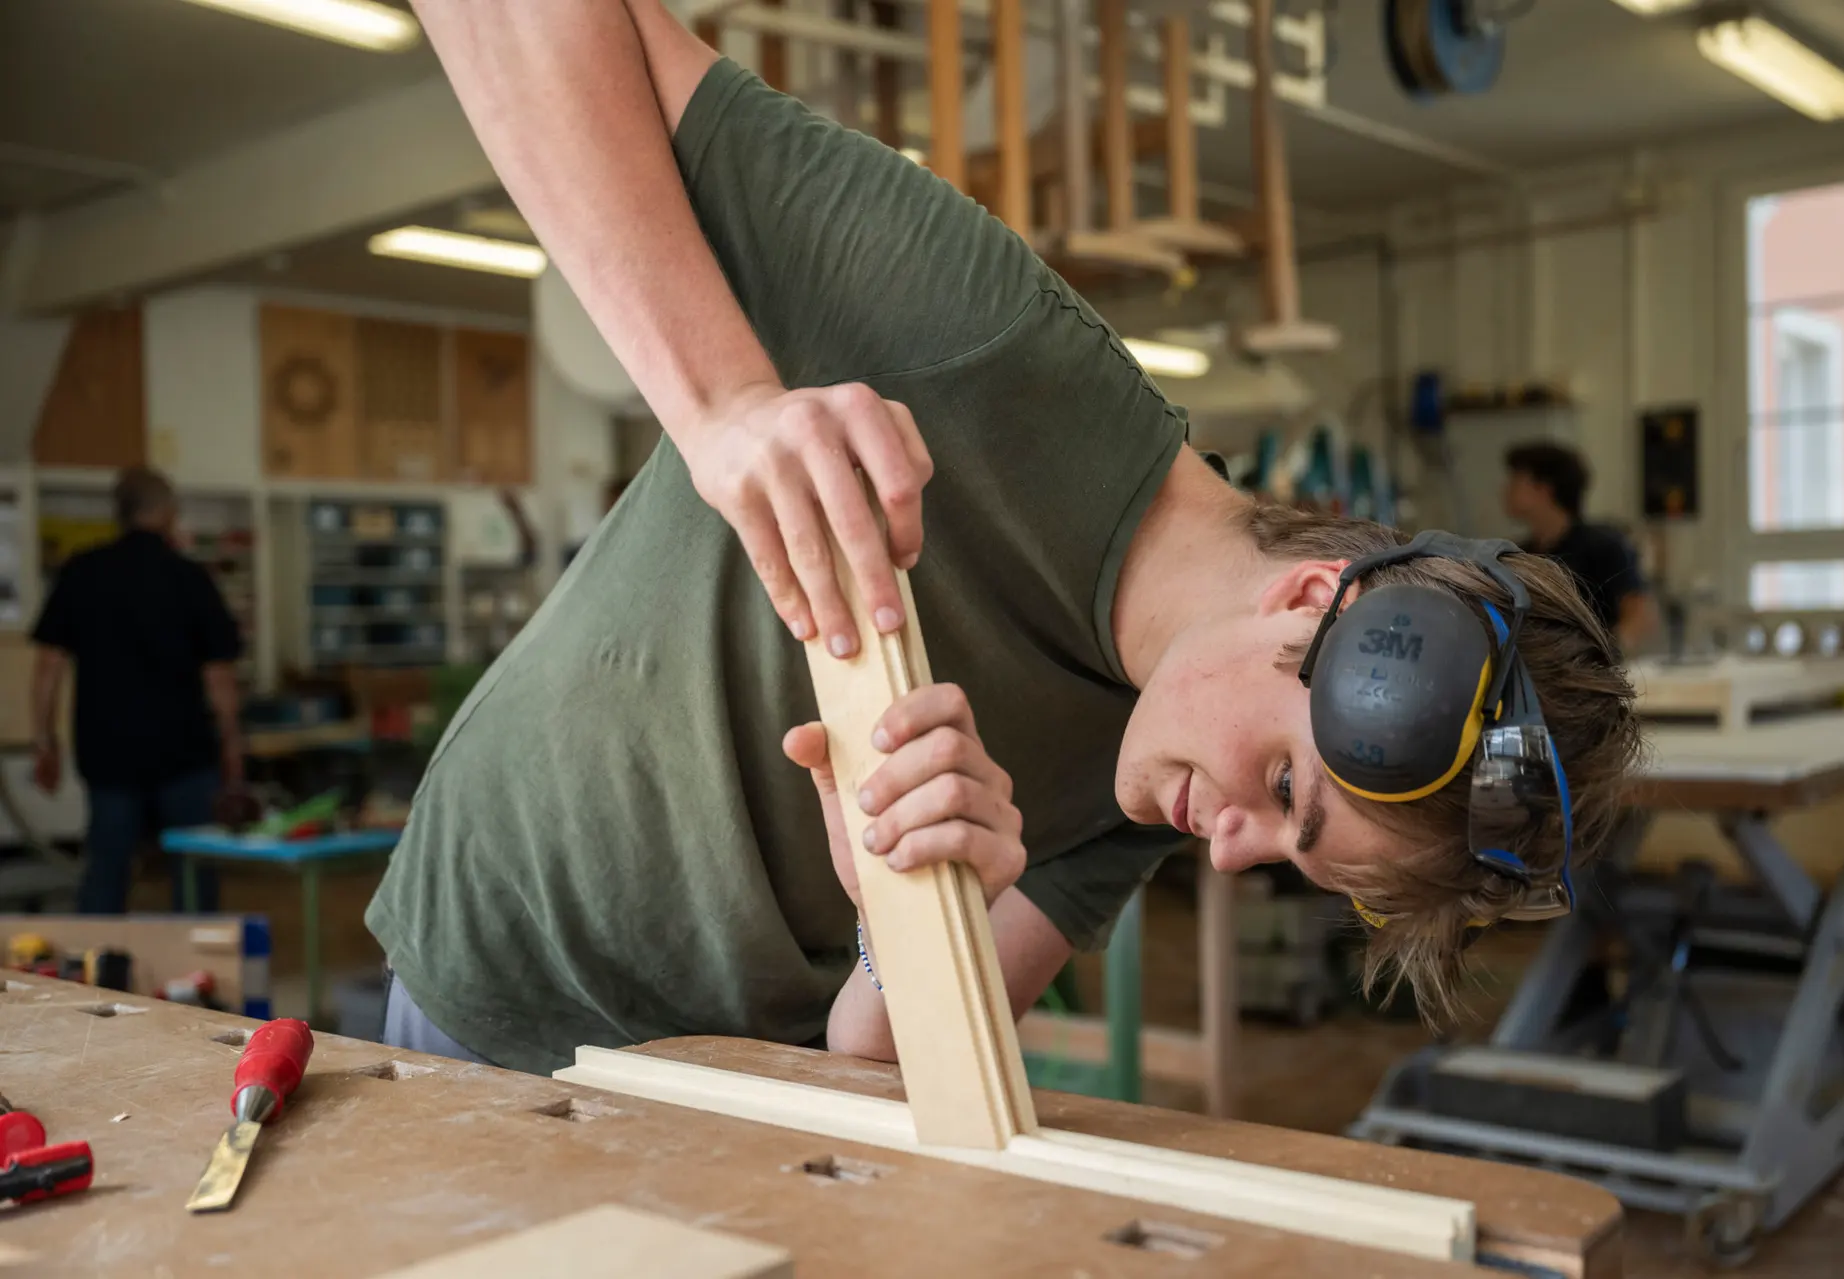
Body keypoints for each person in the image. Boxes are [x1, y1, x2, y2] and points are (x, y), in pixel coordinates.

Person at [369, 0, 1641, 1075]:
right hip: (510, 961)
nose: (1231, 852)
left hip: (738, 1071)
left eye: (1282, 850)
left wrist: (906, 920)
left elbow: (882, 1054)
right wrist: (722, 403)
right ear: (1312, 601)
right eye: (1284, 793)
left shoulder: (1155, 780)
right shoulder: (978, 339)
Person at [29, 467, 245, 913]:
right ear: (167, 513)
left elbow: (48, 669)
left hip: (108, 752)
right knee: (195, 872)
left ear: (120, 514)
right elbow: (219, 677)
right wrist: (232, 746)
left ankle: (94, 959)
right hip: (184, 752)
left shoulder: (82, 571)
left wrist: (44, 742)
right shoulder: (189, 578)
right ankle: (197, 956)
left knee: (106, 873)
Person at [1503, 442, 1655, 653]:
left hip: (1593, 664)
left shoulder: (1604, 546)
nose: (1505, 490)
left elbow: (1637, 614)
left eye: (1516, 482)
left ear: (1544, 489)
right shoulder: (1519, 555)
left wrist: (1607, 654)